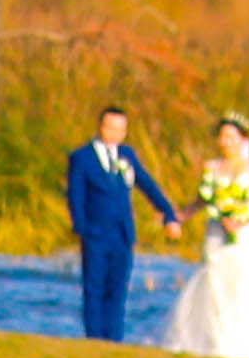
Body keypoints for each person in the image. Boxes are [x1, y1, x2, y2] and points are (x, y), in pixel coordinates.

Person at [157, 115, 249, 358]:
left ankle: (240, 347)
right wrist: (181, 216)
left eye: (231, 137)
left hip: (242, 235)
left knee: (241, 283)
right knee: (213, 281)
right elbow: (202, 200)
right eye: (222, 137)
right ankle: (212, 342)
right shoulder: (212, 168)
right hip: (215, 232)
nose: (226, 142)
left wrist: (240, 220)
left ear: (243, 139)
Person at [63, 106, 173, 344]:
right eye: (110, 127)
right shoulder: (82, 157)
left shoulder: (127, 155)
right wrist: (82, 227)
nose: (114, 133)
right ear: (100, 126)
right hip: (95, 232)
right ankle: (94, 338)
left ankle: (114, 340)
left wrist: (167, 211)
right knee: (94, 287)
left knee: (118, 289)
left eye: (120, 129)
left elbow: (146, 184)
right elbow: (75, 195)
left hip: (123, 233)